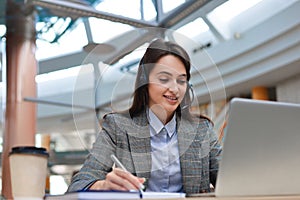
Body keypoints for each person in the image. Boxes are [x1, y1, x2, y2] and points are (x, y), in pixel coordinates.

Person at [67, 38, 222, 195]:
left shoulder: (202, 130)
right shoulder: (117, 126)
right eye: (164, 79)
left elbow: (229, 178)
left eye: (181, 81)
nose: (175, 89)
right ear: (145, 80)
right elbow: (79, 183)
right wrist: (103, 186)